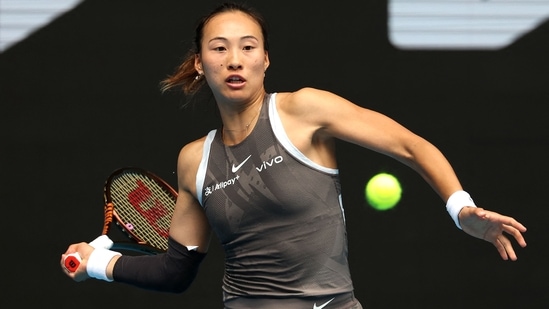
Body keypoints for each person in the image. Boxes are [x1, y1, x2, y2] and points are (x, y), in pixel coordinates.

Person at [60, 2, 527, 308]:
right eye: (219, 49)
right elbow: (177, 270)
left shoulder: (304, 110)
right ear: (201, 64)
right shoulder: (193, 161)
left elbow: (411, 145)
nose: (235, 59)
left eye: (248, 47)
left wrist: (460, 208)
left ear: (265, 59)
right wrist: (98, 264)